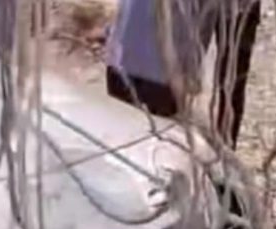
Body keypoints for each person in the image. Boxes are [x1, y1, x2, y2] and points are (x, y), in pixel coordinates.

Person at [106, 0, 261, 147]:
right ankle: (224, 150)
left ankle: (225, 150)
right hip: (144, 79)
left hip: (127, 73)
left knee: (231, 83)